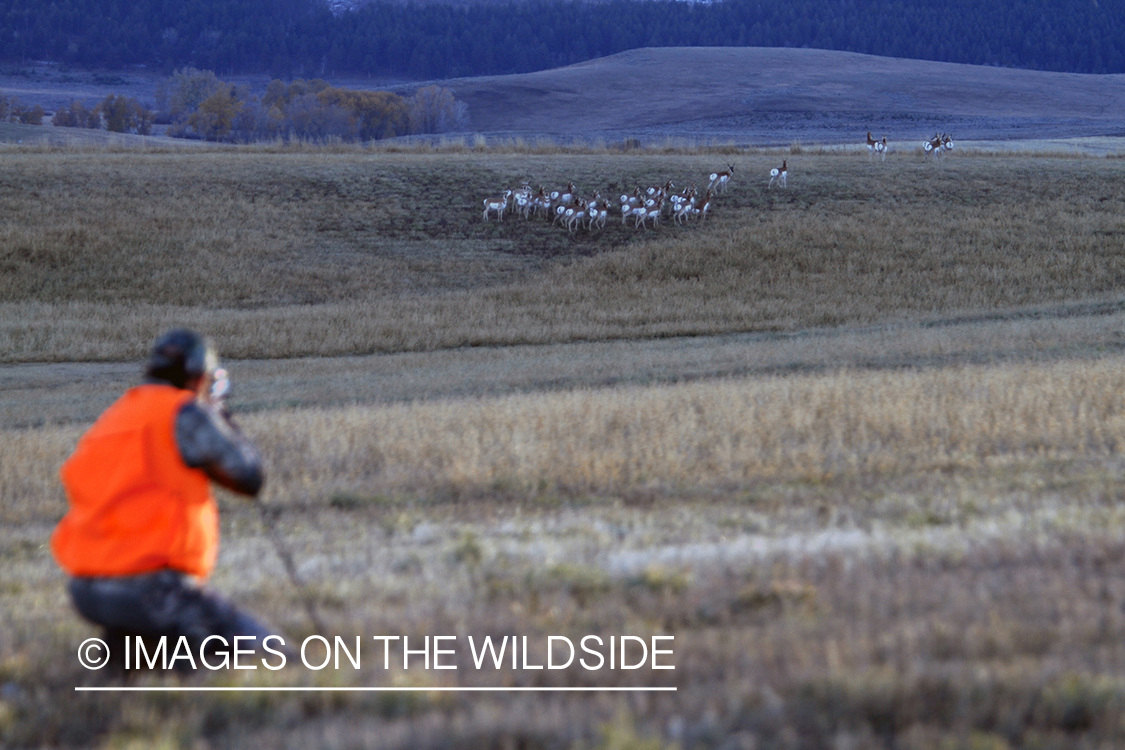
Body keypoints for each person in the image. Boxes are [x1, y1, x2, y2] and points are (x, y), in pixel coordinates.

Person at [51, 328, 272, 672]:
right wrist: (218, 412)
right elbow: (249, 476)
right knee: (269, 656)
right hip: (149, 588)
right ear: (199, 375)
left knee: (137, 671)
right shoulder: (184, 413)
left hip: (87, 588)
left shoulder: (120, 414)